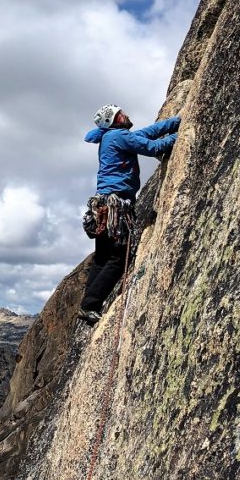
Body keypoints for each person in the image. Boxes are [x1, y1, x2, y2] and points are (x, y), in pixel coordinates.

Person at [78, 104, 180, 324]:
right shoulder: (118, 136)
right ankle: (90, 304)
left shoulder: (112, 137)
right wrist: (184, 131)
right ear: (114, 121)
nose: (125, 115)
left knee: (102, 258)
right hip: (116, 205)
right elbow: (154, 147)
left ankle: (88, 305)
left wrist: (176, 121)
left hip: (104, 205)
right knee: (117, 258)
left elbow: (147, 133)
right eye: (120, 114)